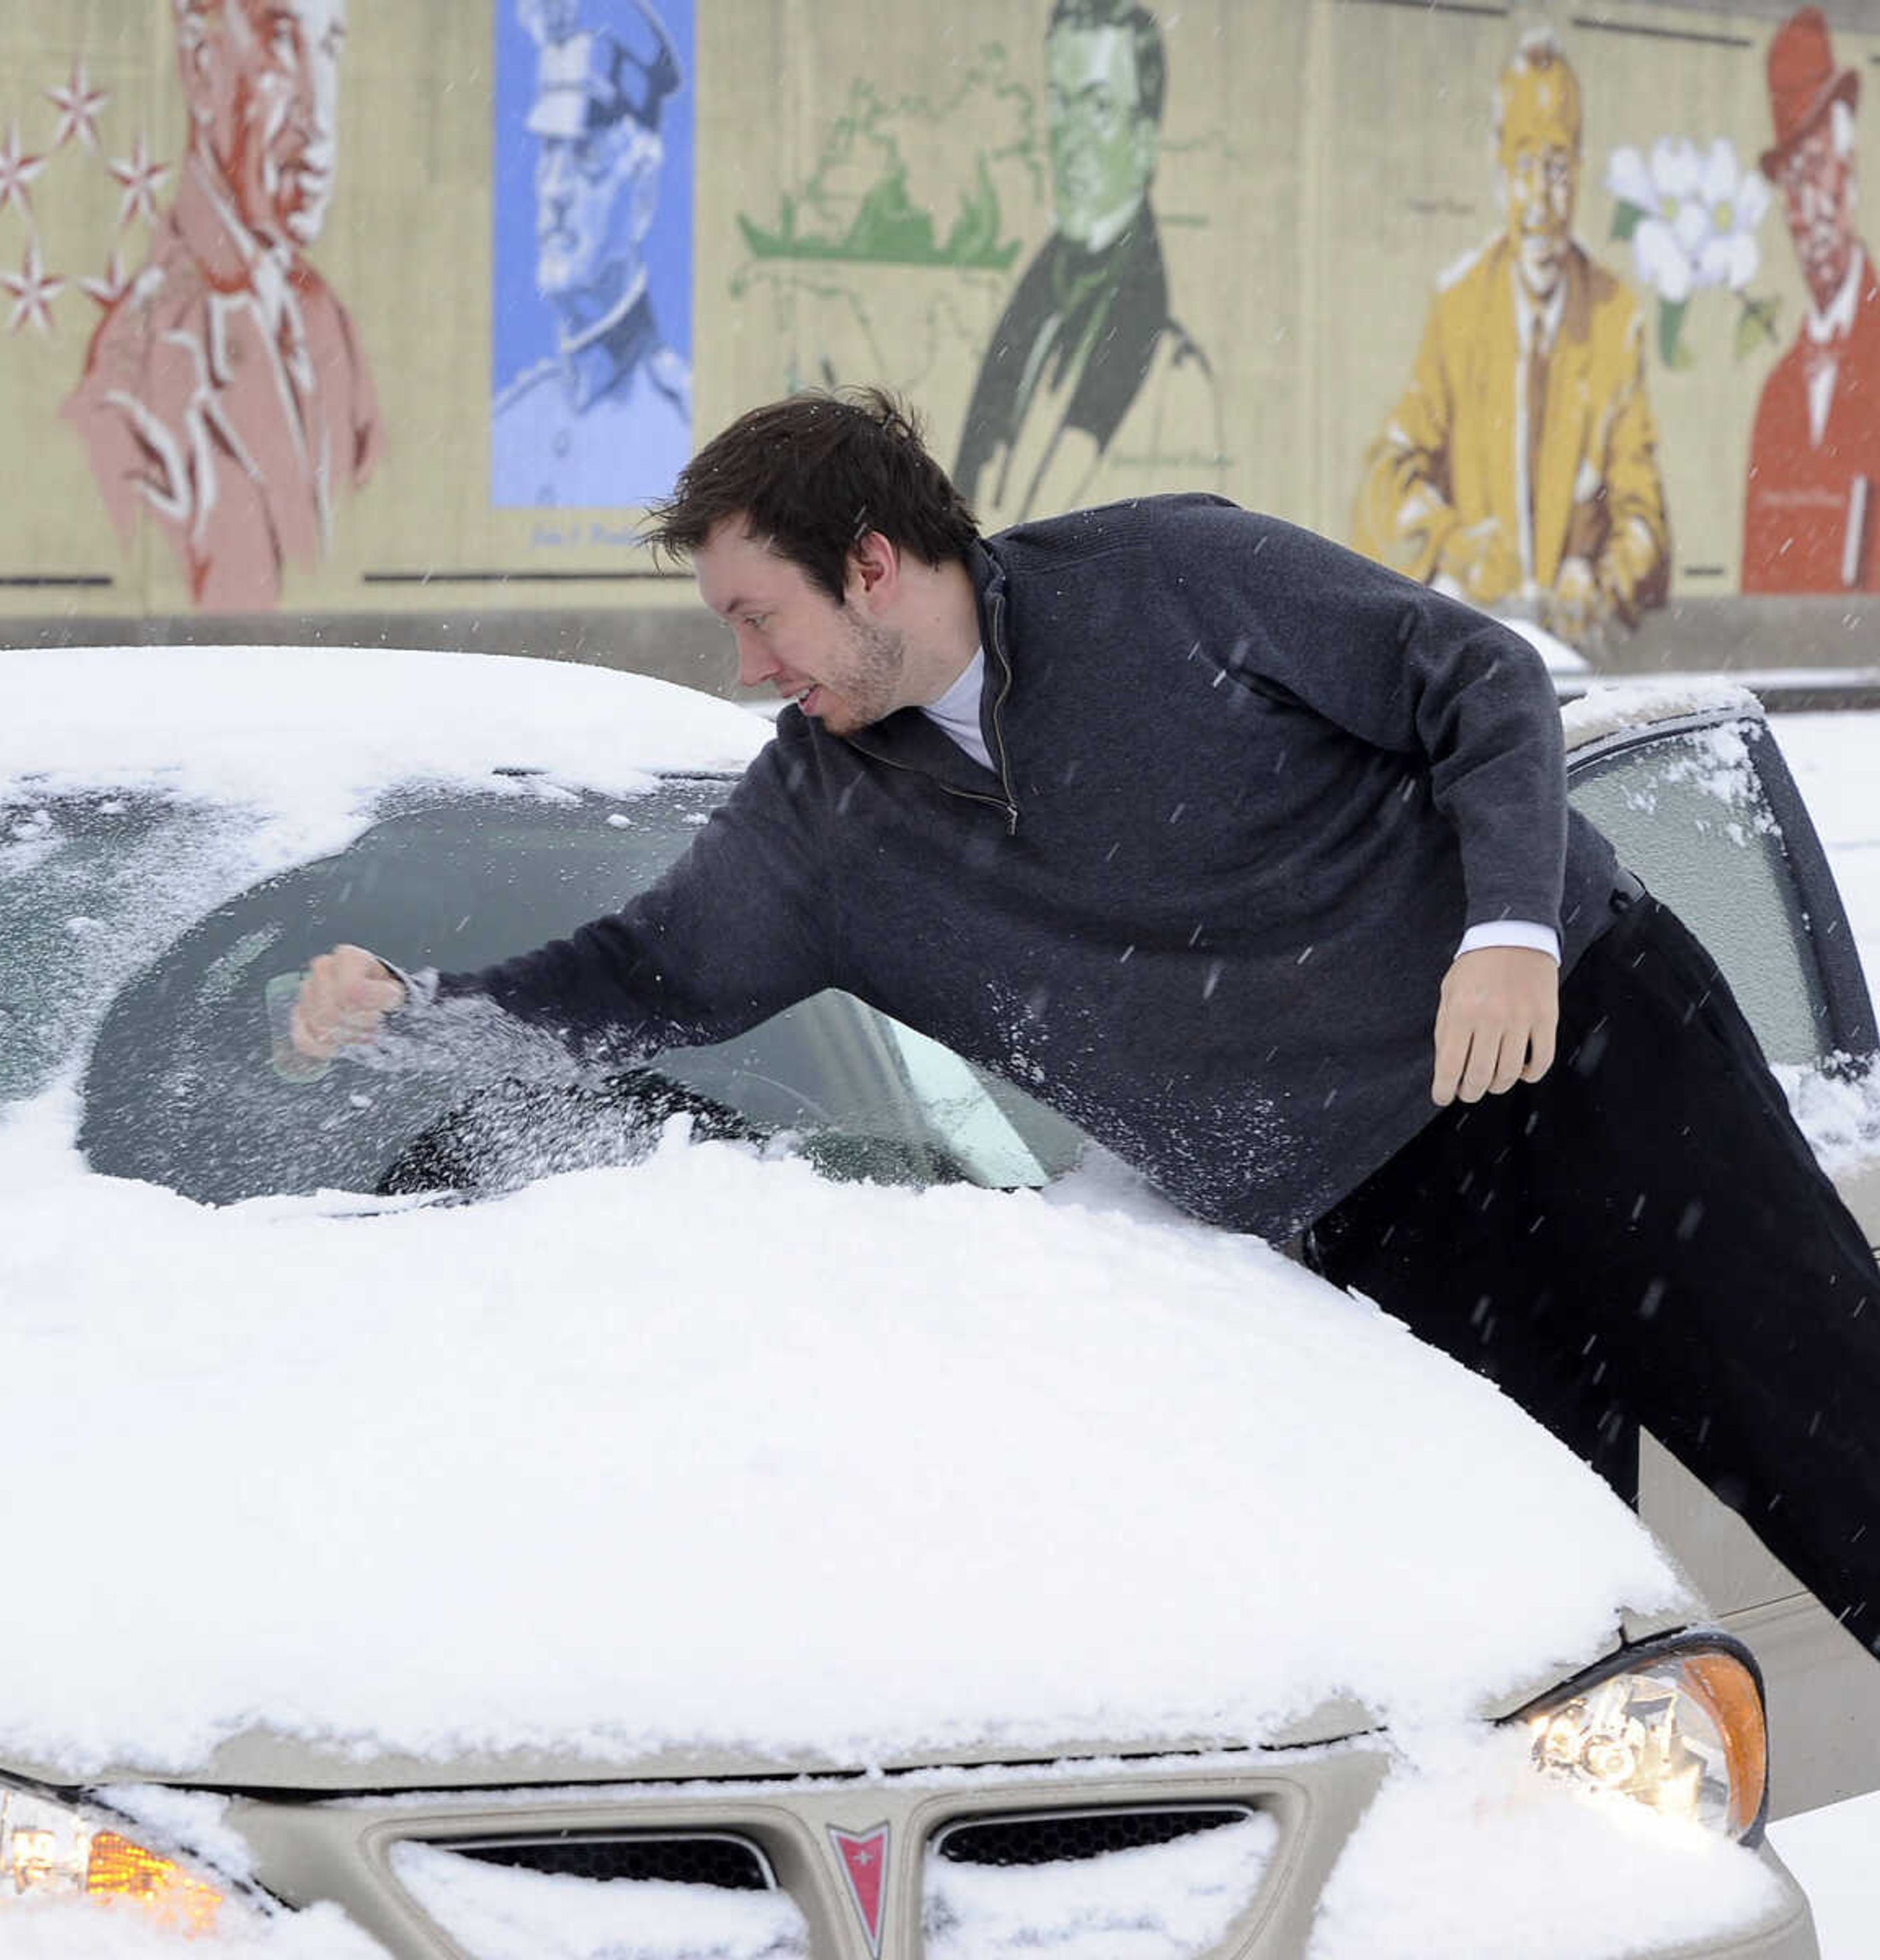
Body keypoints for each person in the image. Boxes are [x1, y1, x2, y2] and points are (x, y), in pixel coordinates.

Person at [293, 387, 1880, 1655]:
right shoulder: (817, 826)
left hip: (1583, 1052)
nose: (747, 665)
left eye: (757, 615)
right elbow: (641, 978)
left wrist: (1509, 928)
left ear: (866, 561)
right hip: (1380, 1215)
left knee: (1835, 1456)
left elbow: (1471, 680)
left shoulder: (1170, 580)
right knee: (1540, 1637)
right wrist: (415, 1021)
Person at [1351, 33, 1669, 648]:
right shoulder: (1460, 307)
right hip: (1477, 647)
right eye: (1525, 167)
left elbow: (1643, 512)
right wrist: (1455, 543)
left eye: (1556, 168)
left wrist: (1600, 578)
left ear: (1578, 173)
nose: (1542, 201)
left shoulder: (1614, 314)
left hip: (1575, 662)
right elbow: (1385, 480)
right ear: (1500, 174)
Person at [64, 0, 379, 612]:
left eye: (330, 48)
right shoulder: (139, 380)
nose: (319, 117)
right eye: (283, 42)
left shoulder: (324, 325)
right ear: (201, 65)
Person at [951, 0, 1222, 526]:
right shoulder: (1029, 317)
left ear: (1144, 143)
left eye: (1098, 107)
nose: (1071, 138)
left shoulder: (1174, 374)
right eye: (1060, 103)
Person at [489, 0, 692, 510]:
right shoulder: (511, 423)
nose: (553, 189)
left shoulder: (683, 425)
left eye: (587, 155)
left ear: (643, 194)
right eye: (548, 152)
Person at [1743, 6, 1880, 593]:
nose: (1808, 208)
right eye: (1792, 183)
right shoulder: (1778, 393)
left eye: (1818, 169)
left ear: (1849, 176)